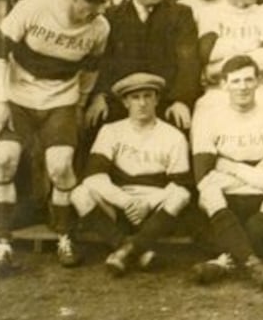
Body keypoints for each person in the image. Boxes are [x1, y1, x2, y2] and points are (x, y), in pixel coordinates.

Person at [0, 0, 112, 273]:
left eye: (102, 1)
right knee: (5, 159)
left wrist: (80, 103)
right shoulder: (32, 9)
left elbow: (91, 70)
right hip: (17, 98)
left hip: (60, 101)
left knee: (61, 167)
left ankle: (64, 236)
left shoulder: (100, 27)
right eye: (91, 2)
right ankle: (3, 242)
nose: (97, 8)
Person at [71, 73, 192, 276]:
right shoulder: (111, 131)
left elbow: (180, 184)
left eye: (147, 96)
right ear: (125, 102)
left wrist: (148, 203)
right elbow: (94, 176)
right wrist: (126, 201)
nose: (142, 103)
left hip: (153, 211)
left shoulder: (173, 136)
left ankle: (125, 251)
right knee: (79, 194)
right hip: (119, 205)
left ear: (157, 99)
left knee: (182, 196)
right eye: (135, 98)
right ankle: (134, 248)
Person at [190, 56, 263, 288]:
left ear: (258, 82)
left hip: (259, 204)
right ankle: (253, 262)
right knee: (209, 192)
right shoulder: (209, 117)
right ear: (224, 84)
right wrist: (257, 175)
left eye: (248, 80)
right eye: (235, 81)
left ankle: (224, 262)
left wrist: (230, 167)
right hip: (226, 203)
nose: (243, 87)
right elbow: (204, 176)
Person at [86, 0, 201, 132]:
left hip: (165, 102)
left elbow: (189, 62)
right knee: (96, 124)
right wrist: (99, 95)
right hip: (121, 102)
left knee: (181, 125)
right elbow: (103, 61)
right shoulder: (112, 16)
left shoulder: (180, 15)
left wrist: (181, 100)